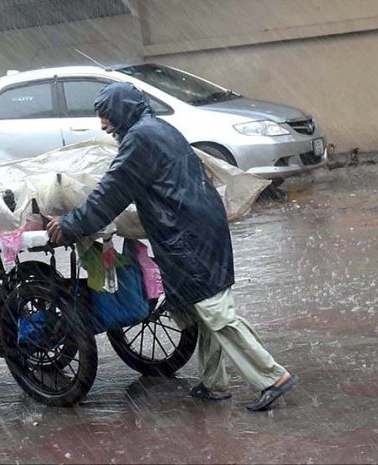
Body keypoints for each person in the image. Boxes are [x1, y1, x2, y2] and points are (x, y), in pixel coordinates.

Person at [46, 82, 297, 411]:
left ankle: (271, 376)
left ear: (121, 110)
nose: (102, 125)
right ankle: (214, 383)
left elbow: (110, 192)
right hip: (199, 224)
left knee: (216, 312)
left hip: (186, 234)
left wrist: (69, 225)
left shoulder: (140, 139)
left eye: (105, 115)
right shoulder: (157, 128)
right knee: (207, 308)